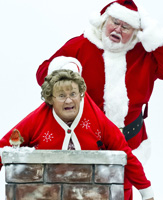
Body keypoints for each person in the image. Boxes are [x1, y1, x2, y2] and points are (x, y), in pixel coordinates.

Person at [36, 0, 163, 166]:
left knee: (122, 191)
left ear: (135, 32)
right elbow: (42, 74)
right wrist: (66, 69)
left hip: (129, 143)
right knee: (84, 191)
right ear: (104, 21)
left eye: (126, 26)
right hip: (85, 142)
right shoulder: (81, 45)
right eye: (115, 22)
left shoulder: (144, 54)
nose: (118, 29)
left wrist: (153, 31)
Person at [0, 68, 154, 200]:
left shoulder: (96, 118)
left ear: (80, 94)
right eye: (61, 96)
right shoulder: (37, 119)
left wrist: (146, 192)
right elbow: (4, 146)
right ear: (50, 99)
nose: (68, 101)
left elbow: (125, 154)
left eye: (73, 94)